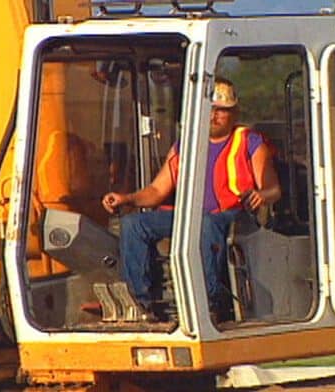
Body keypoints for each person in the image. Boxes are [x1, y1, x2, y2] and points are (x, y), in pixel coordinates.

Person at [102, 78, 281, 321]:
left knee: (207, 224)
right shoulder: (185, 146)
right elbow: (156, 191)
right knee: (134, 224)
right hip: (189, 215)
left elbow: (273, 190)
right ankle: (139, 303)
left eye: (222, 111)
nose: (214, 116)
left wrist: (261, 195)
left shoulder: (249, 142)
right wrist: (127, 198)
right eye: (210, 109)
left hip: (233, 216)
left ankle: (209, 300)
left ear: (234, 113)